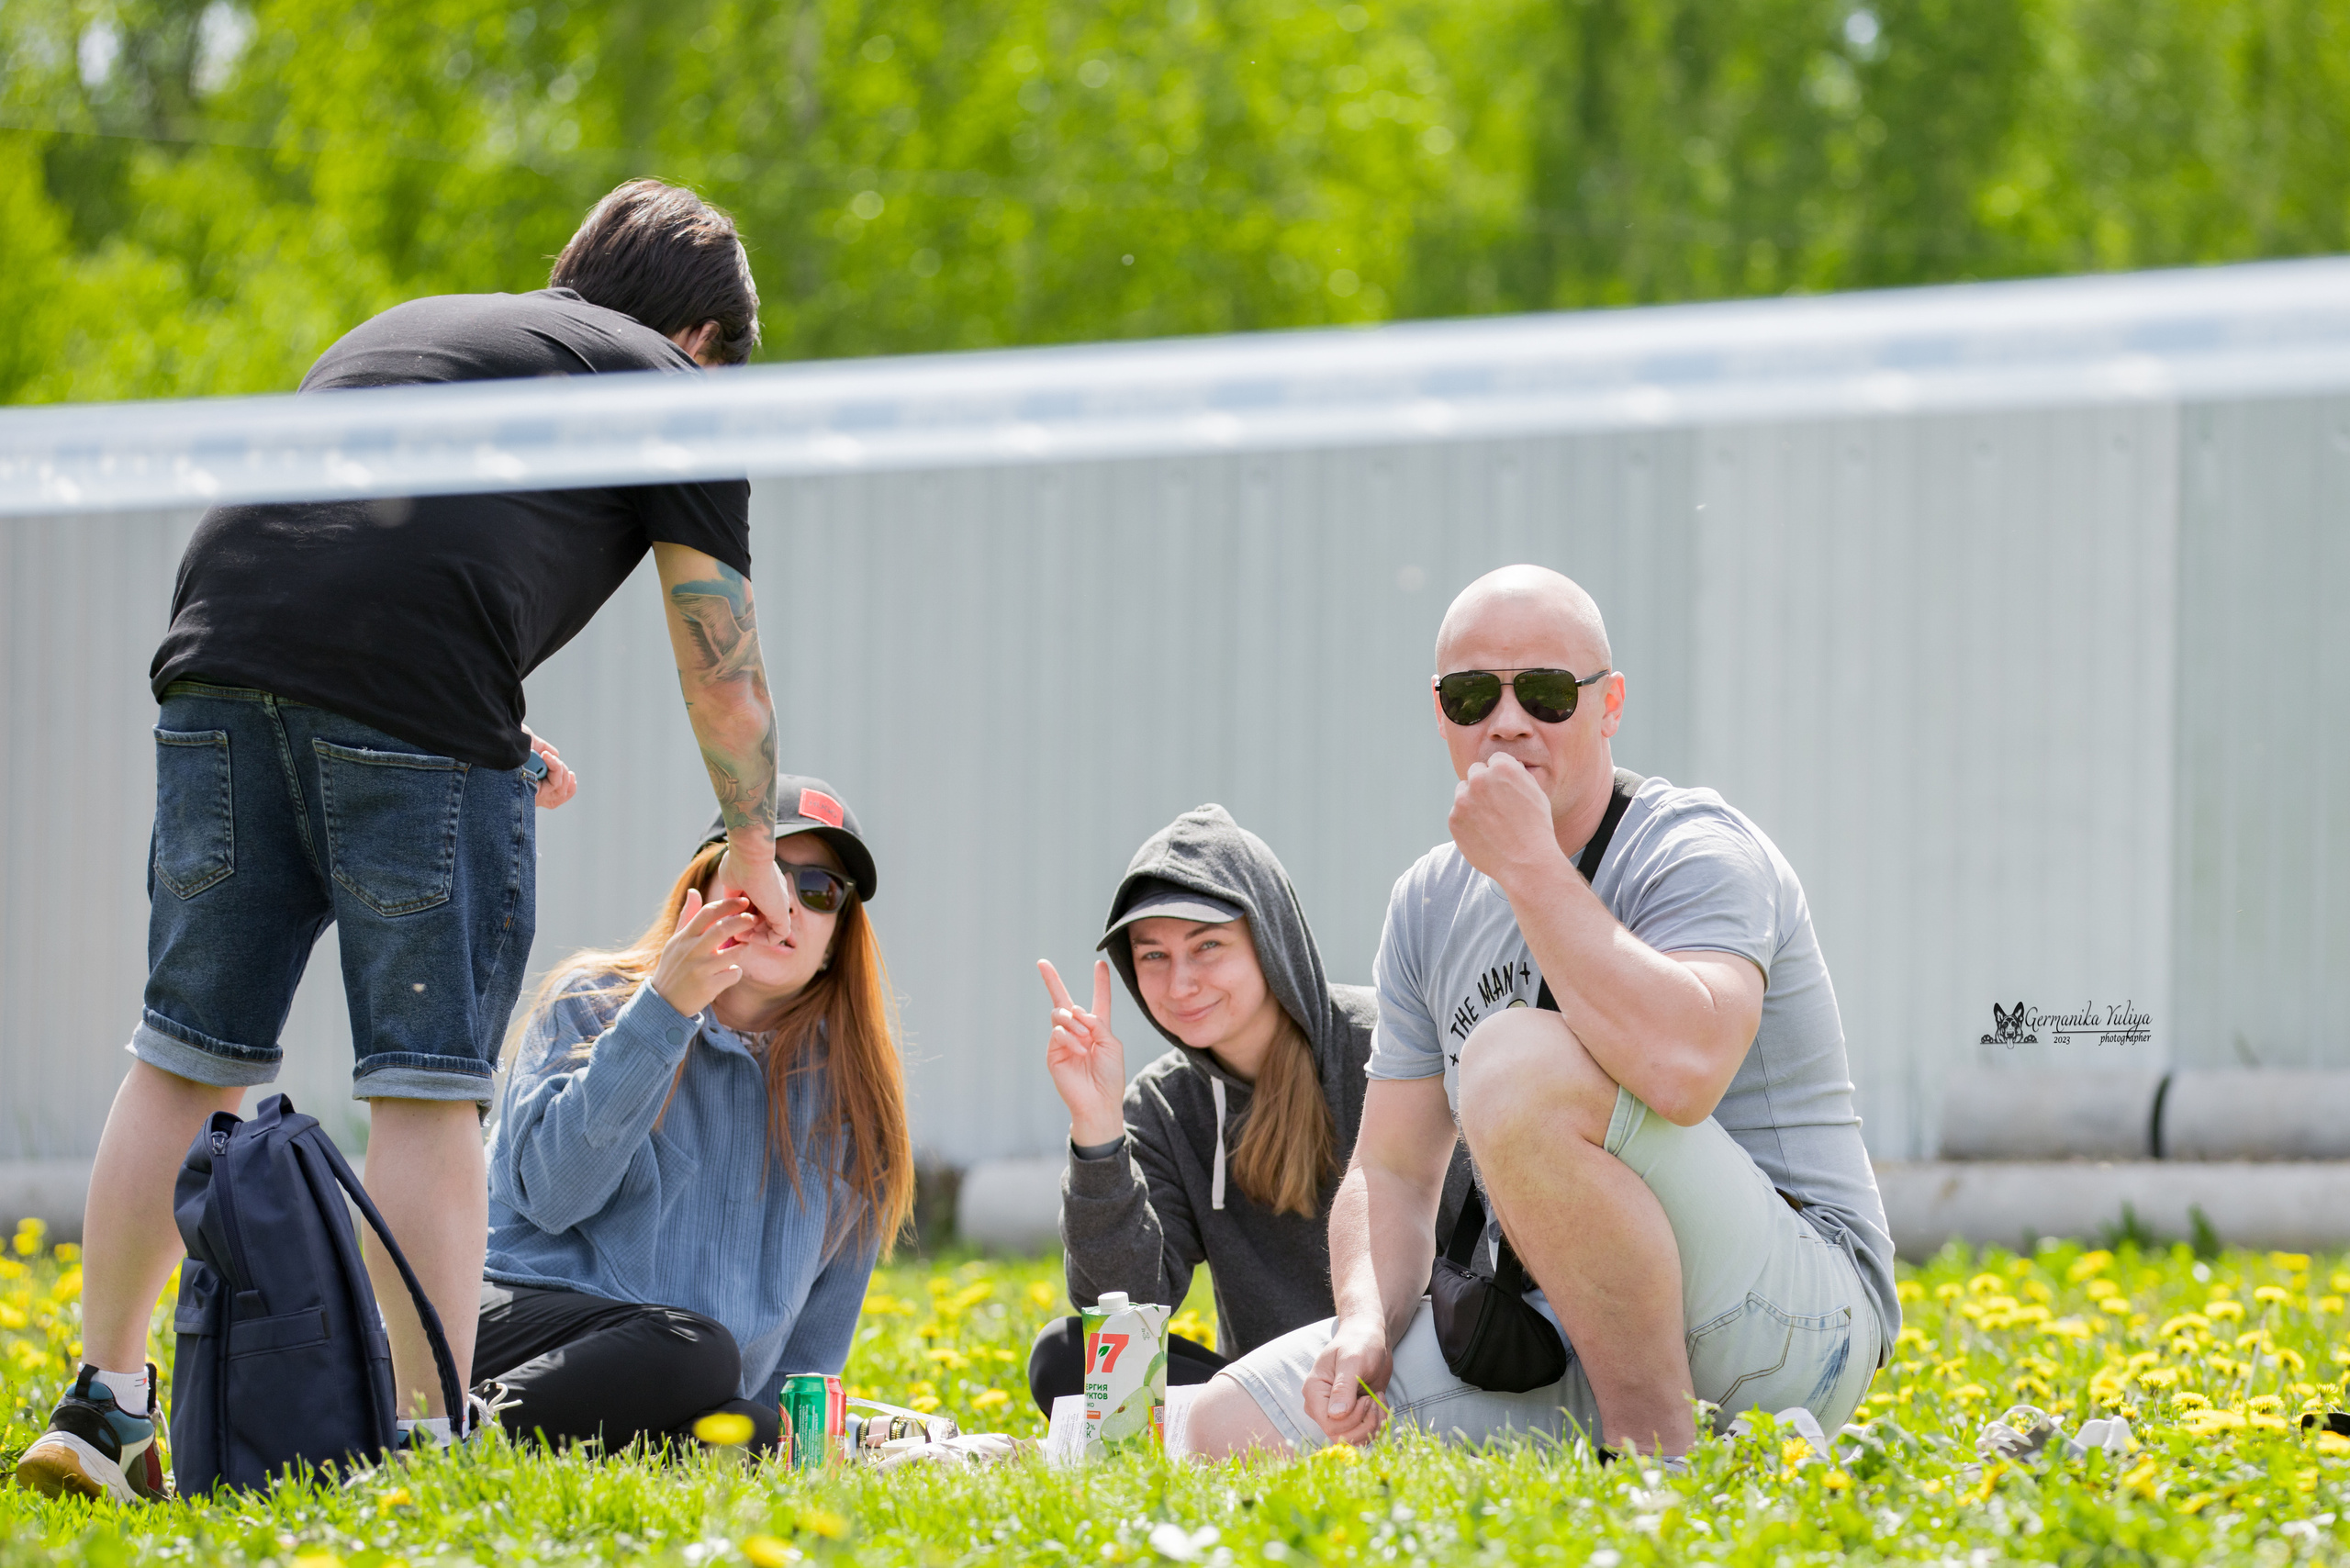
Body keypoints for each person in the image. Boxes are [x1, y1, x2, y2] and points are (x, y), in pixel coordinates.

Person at [17, 179, 803, 1502]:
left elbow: (349, 561)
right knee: (428, 1086)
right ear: (705, 339)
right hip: (404, 703)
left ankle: (104, 1407)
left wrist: (491, 728)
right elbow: (721, 673)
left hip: (217, 672)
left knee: (187, 1054)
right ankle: (425, 1442)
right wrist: (755, 843)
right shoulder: (670, 388)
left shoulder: (419, 328)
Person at [1184, 565, 1898, 1461]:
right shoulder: (1427, 904)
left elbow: (1685, 1071)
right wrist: (1365, 1319)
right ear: (1440, 711)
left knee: (1512, 1063)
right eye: (1473, 695)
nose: (1508, 721)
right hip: (1573, 1329)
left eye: (1548, 693)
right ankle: (1650, 1434)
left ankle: (1655, 1466)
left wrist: (1529, 866)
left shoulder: (1695, 848)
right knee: (1227, 1427)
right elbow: (1392, 1170)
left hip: (1795, 1325)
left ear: (1609, 705)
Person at [473, 781, 911, 1454]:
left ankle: (517, 1446)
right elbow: (550, 1195)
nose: (784, 902)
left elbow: (804, 1368)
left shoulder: (852, 1105)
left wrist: (825, 1441)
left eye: (819, 889)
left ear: (835, 938)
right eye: (761, 874)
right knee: (696, 1350)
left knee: (759, 1432)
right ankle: (441, 1442)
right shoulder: (594, 1001)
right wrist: (664, 1011)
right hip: (516, 1329)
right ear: (702, 887)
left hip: (682, 1380)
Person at [1026, 805, 1467, 1415]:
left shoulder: (1390, 1047)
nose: (1180, 984)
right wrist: (1097, 1128)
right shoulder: (1164, 1104)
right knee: (1063, 1356)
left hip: (1419, 1370)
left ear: (1269, 940)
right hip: (1267, 1392)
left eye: (1207, 946)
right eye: (1153, 955)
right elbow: (1123, 1311)